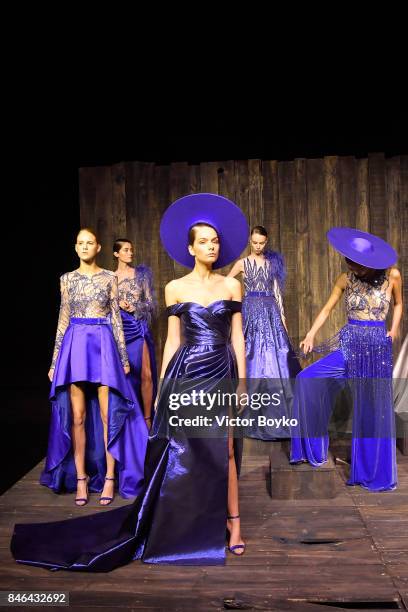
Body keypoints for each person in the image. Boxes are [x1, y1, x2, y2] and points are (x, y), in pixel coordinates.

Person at [11, 193, 250, 570]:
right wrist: (161, 394)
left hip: (221, 367)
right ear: (190, 248)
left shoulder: (232, 287)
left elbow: (238, 336)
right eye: (203, 240)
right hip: (186, 372)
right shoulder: (175, 287)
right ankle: (186, 519)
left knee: (228, 449)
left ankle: (233, 524)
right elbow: (173, 340)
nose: (211, 245)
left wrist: (242, 382)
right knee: (186, 450)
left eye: (215, 240)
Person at [40, 228, 147, 506]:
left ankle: (110, 477)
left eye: (90, 243)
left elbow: (115, 319)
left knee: (106, 414)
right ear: (75, 248)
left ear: (98, 247)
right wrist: (55, 362)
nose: (85, 247)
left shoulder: (109, 278)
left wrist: (123, 358)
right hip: (75, 344)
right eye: (80, 243)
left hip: (103, 344)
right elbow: (63, 319)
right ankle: (81, 478)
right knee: (76, 416)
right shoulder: (66, 280)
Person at [291, 227, 403, 491]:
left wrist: (394, 328)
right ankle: (312, 449)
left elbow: (398, 304)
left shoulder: (392, 276)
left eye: (358, 264)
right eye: (349, 262)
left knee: (372, 410)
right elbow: (328, 308)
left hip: (377, 348)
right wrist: (310, 334)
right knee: (307, 379)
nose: (353, 268)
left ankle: (373, 471)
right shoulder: (345, 279)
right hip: (350, 343)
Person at [228, 225, 300, 439]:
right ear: (250, 241)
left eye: (261, 242)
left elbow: (277, 293)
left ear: (266, 242)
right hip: (249, 310)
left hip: (270, 312)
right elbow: (228, 285)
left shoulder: (271, 263)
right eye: (254, 242)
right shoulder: (241, 263)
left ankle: (278, 416)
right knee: (250, 356)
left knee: (275, 358)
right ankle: (249, 415)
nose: (258, 246)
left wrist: (283, 320)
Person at [114, 239, 157, 428]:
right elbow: (104, 305)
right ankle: (131, 422)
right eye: (126, 250)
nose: (130, 253)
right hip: (119, 329)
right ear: (117, 254)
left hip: (138, 326)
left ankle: (148, 420)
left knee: (146, 374)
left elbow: (151, 303)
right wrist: (117, 304)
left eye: (131, 249)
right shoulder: (109, 277)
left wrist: (135, 306)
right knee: (126, 375)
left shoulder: (141, 275)